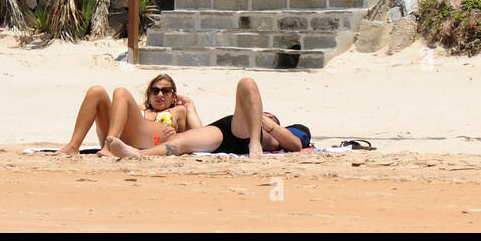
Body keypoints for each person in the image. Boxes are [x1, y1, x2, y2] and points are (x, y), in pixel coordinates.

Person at [106, 77, 309, 158]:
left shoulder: (281, 129)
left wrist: (265, 121)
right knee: (180, 143)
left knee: (248, 85)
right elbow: (196, 130)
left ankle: (254, 143)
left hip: (254, 135)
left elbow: (295, 145)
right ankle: (139, 155)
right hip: (228, 127)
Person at [55, 74, 202, 156]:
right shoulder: (138, 109)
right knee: (96, 91)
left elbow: (199, 136)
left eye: (166, 91)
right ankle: (73, 146)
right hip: (120, 137)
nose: (160, 94)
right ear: (149, 94)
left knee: (121, 92)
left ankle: (109, 146)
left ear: (173, 95)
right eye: (155, 90)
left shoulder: (178, 111)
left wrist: (190, 106)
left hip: (148, 145)